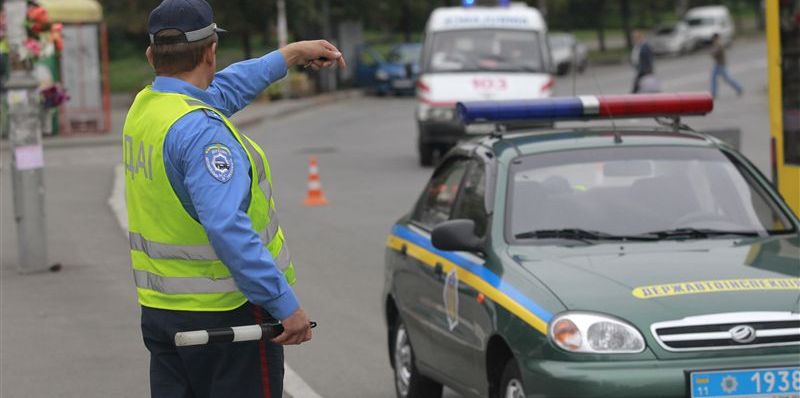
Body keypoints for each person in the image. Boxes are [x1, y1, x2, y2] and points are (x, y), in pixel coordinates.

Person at [122, 0, 345, 397]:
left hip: (163, 317)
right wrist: (284, 305)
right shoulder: (202, 132)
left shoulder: (148, 108)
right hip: (226, 321)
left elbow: (224, 89)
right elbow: (227, 227)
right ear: (211, 52)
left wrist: (291, 54)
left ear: (151, 55)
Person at [710, 33, 743, 98]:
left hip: (721, 65)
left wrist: (712, 53)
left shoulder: (719, 45)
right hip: (717, 65)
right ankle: (713, 93)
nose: (714, 40)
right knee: (713, 78)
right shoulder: (716, 45)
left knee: (727, 79)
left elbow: (715, 53)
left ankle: (739, 88)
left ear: (716, 38)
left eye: (714, 38)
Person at [630, 29, 654, 94]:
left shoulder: (645, 46)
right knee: (641, 86)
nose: (634, 39)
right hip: (640, 70)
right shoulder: (637, 46)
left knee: (638, 86)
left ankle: (631, 99)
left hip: (645, 71)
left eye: (635, 37)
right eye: (633, 37)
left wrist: (649, 70)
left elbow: (649, 59)